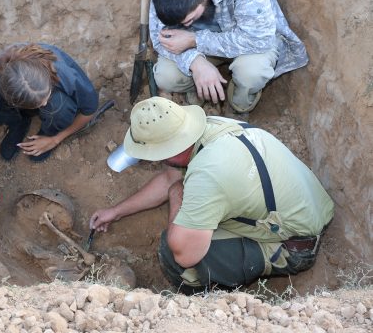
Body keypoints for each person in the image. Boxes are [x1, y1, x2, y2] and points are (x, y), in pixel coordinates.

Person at [91, 97, 333, 294]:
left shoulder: (208, 177)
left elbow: (185, 254)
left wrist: (177, 194)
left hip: (295, 245)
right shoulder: (210, 127)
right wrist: (116, 211)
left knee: (173, 251)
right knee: (192, 213)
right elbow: (169, 178)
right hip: (307, 207)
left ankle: (204, 307)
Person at [149, 0, 308, 113]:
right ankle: (198, 88)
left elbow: (257, 38)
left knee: (251, 73)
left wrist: (195, 40)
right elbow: (159, 37)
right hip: (200, 43)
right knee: (166, 76)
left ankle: (239, 106)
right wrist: (195, 62)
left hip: (249, 39)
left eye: (188, 20)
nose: (183, 25)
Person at [0, 43, 99, 213]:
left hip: (57, 102)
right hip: (15, 99)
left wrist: (54, 140)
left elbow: (89, 111)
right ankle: (17, 121)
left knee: (57, 106)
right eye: (39, 103)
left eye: (44, 97)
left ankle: (47, 131)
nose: (44, 103)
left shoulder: (64, 72)